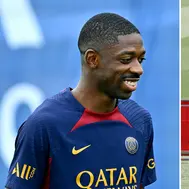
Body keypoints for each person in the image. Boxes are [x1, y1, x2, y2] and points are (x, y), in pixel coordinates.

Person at [5, 13, 156, 189]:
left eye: (141, 59)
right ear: (92, 59)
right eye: (126, 60)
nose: (138, 69)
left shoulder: (139, 120)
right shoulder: (44, 125)